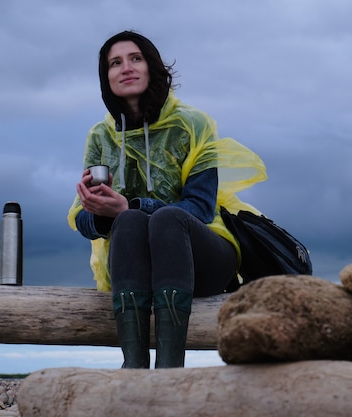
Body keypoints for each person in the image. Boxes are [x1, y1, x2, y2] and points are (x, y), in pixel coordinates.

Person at [68, 30, 266, 369]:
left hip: (202, 255)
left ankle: (170, 369)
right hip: (137, 266)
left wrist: (132, 205)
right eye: (115, 63)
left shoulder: (192, 124)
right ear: (106, 77)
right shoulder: (100, 136)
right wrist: (103, 214)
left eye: (135, 58)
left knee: (164, 218)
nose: (125, 68)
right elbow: (84, 222)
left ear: (152, 67)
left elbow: (201, 208)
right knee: (127, 222)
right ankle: (134, 368)